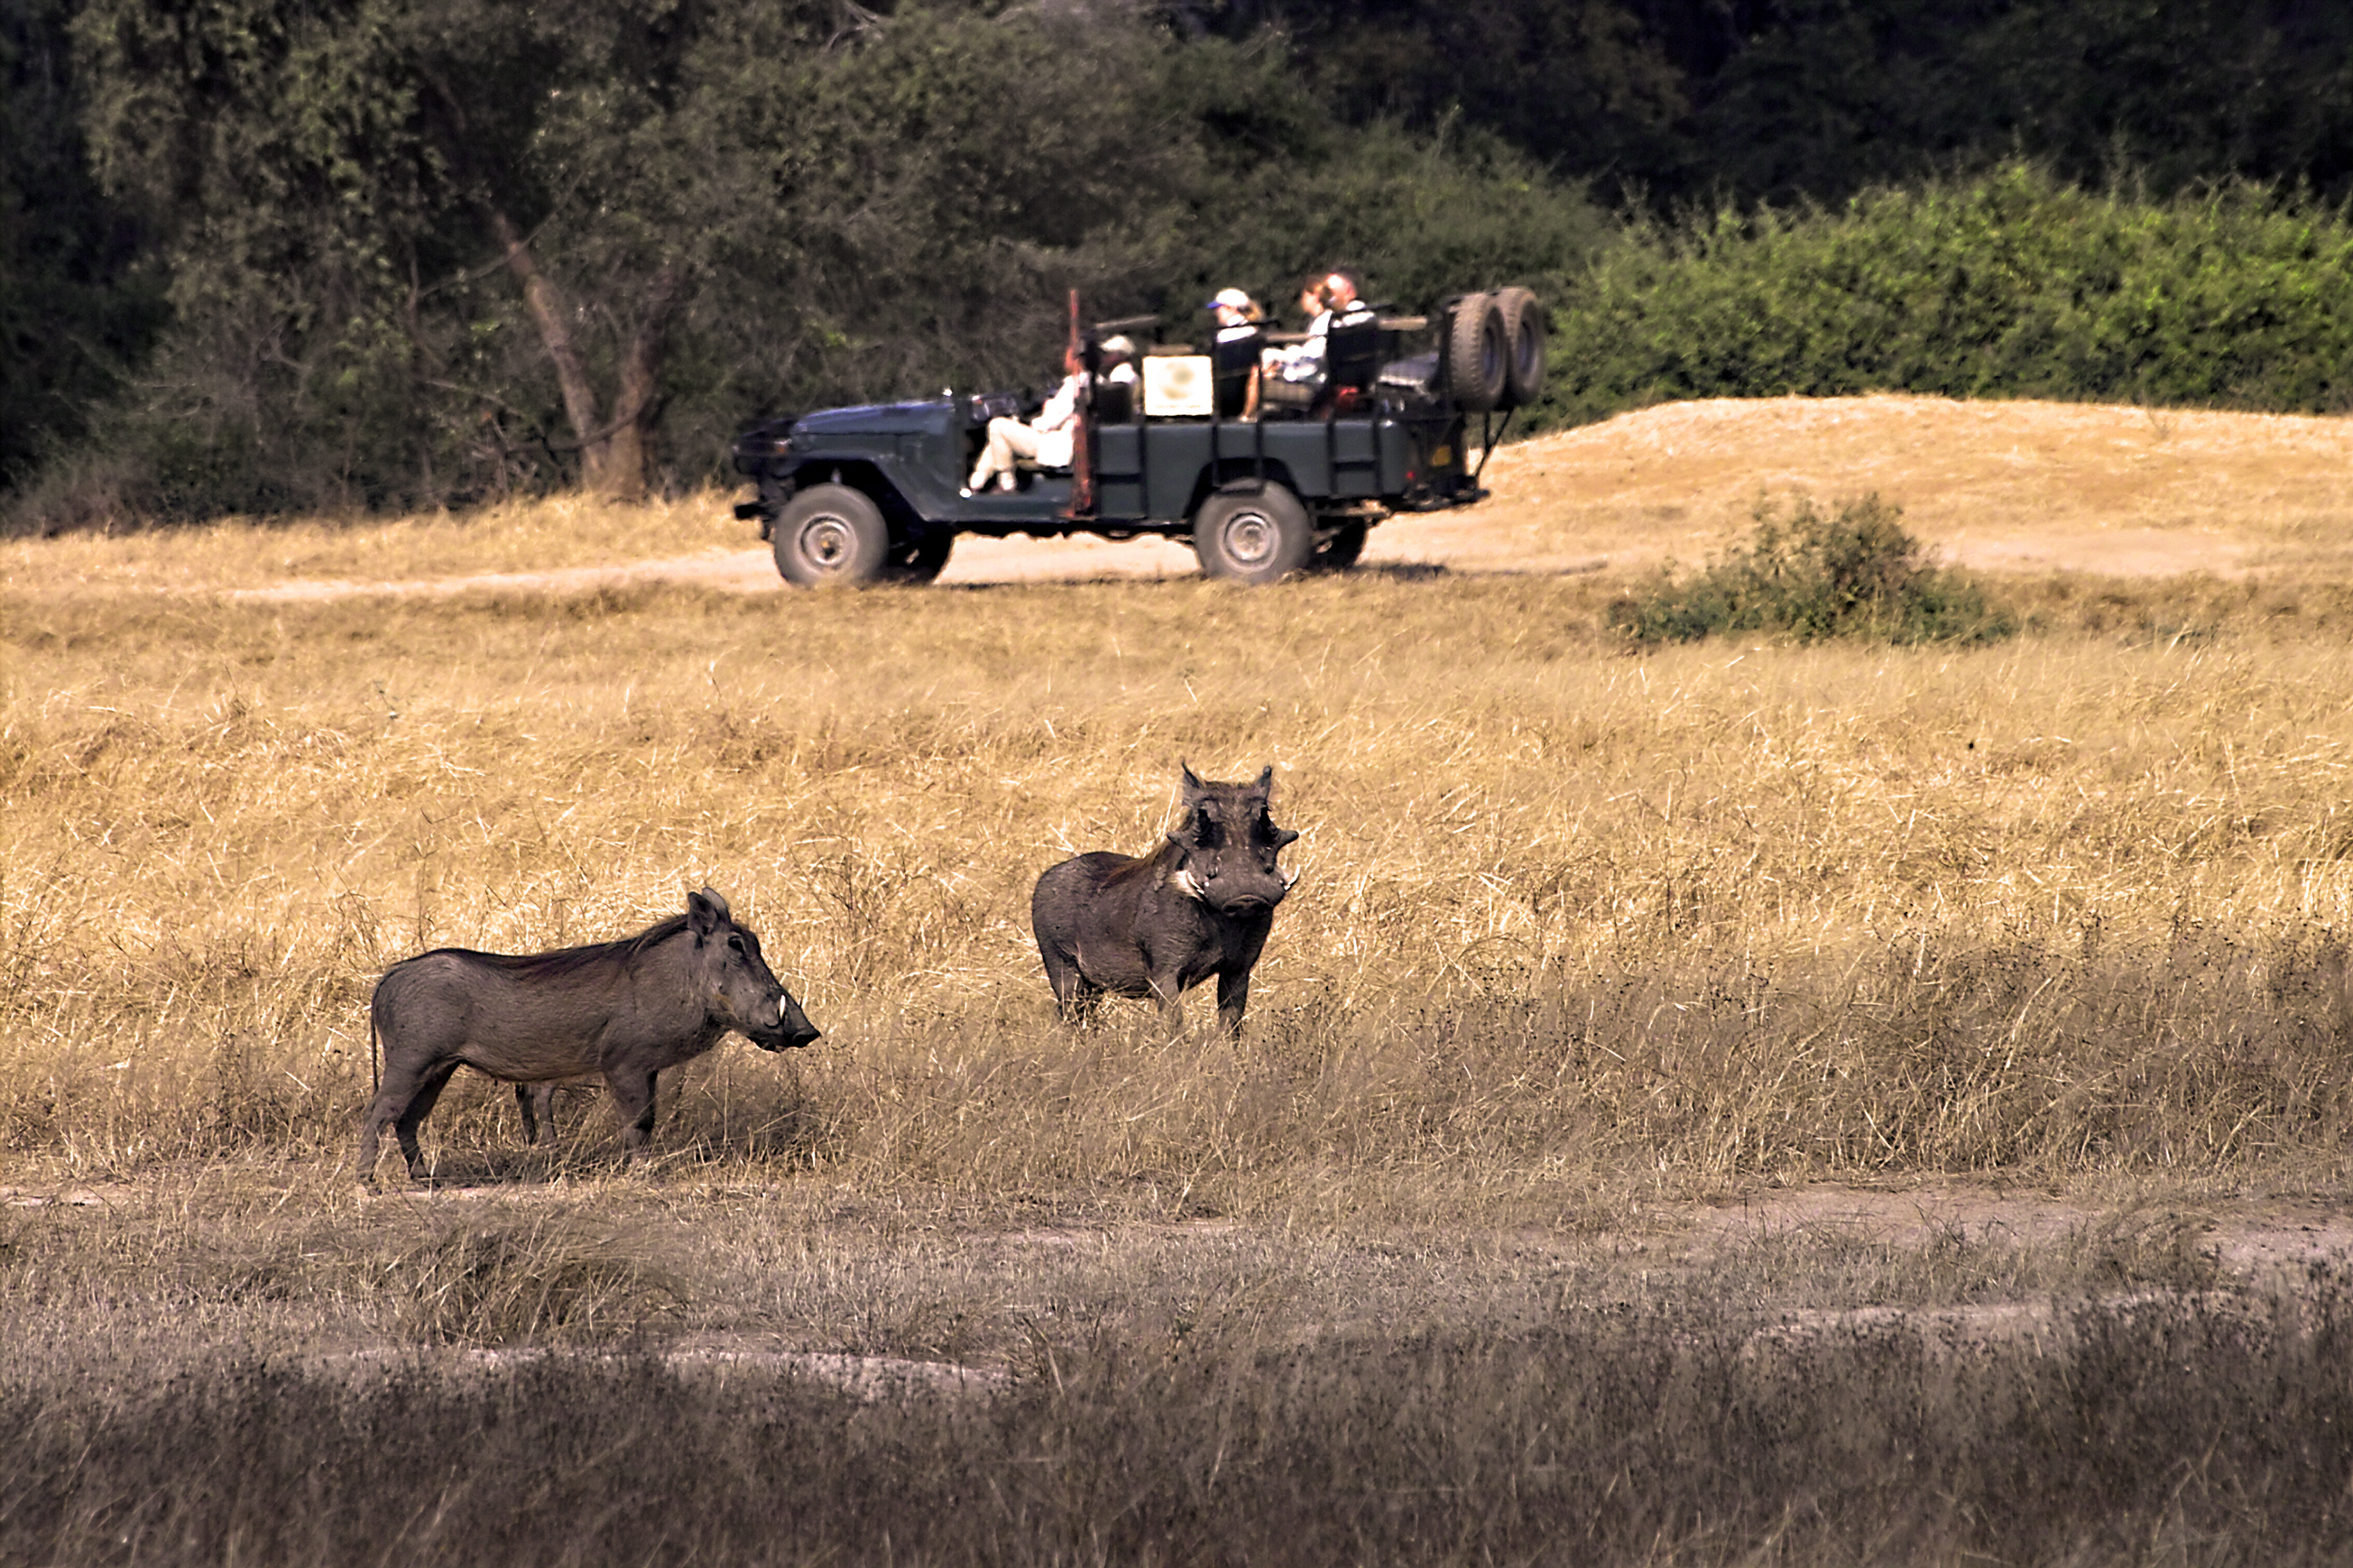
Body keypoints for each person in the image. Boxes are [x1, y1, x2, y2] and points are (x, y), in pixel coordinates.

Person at [964, 336, 1139, 495]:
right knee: (999, 435)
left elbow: (1049, 423)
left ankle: (1005, 484)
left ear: (1077, 360)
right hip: (1065, 440)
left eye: (1068, 355)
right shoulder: (1096, 381)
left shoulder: (1076, 384)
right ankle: (977, 482)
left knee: (997, 425)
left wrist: (1027, 422)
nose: (1064, 359)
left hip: (1055, 445)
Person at [1208, 288, 1265, 419]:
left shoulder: (1225, 335)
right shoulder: (1252, 330)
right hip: (1241, 395)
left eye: (1219, 307)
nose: (1216, 312)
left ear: (1231, 308)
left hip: (1223, 396)